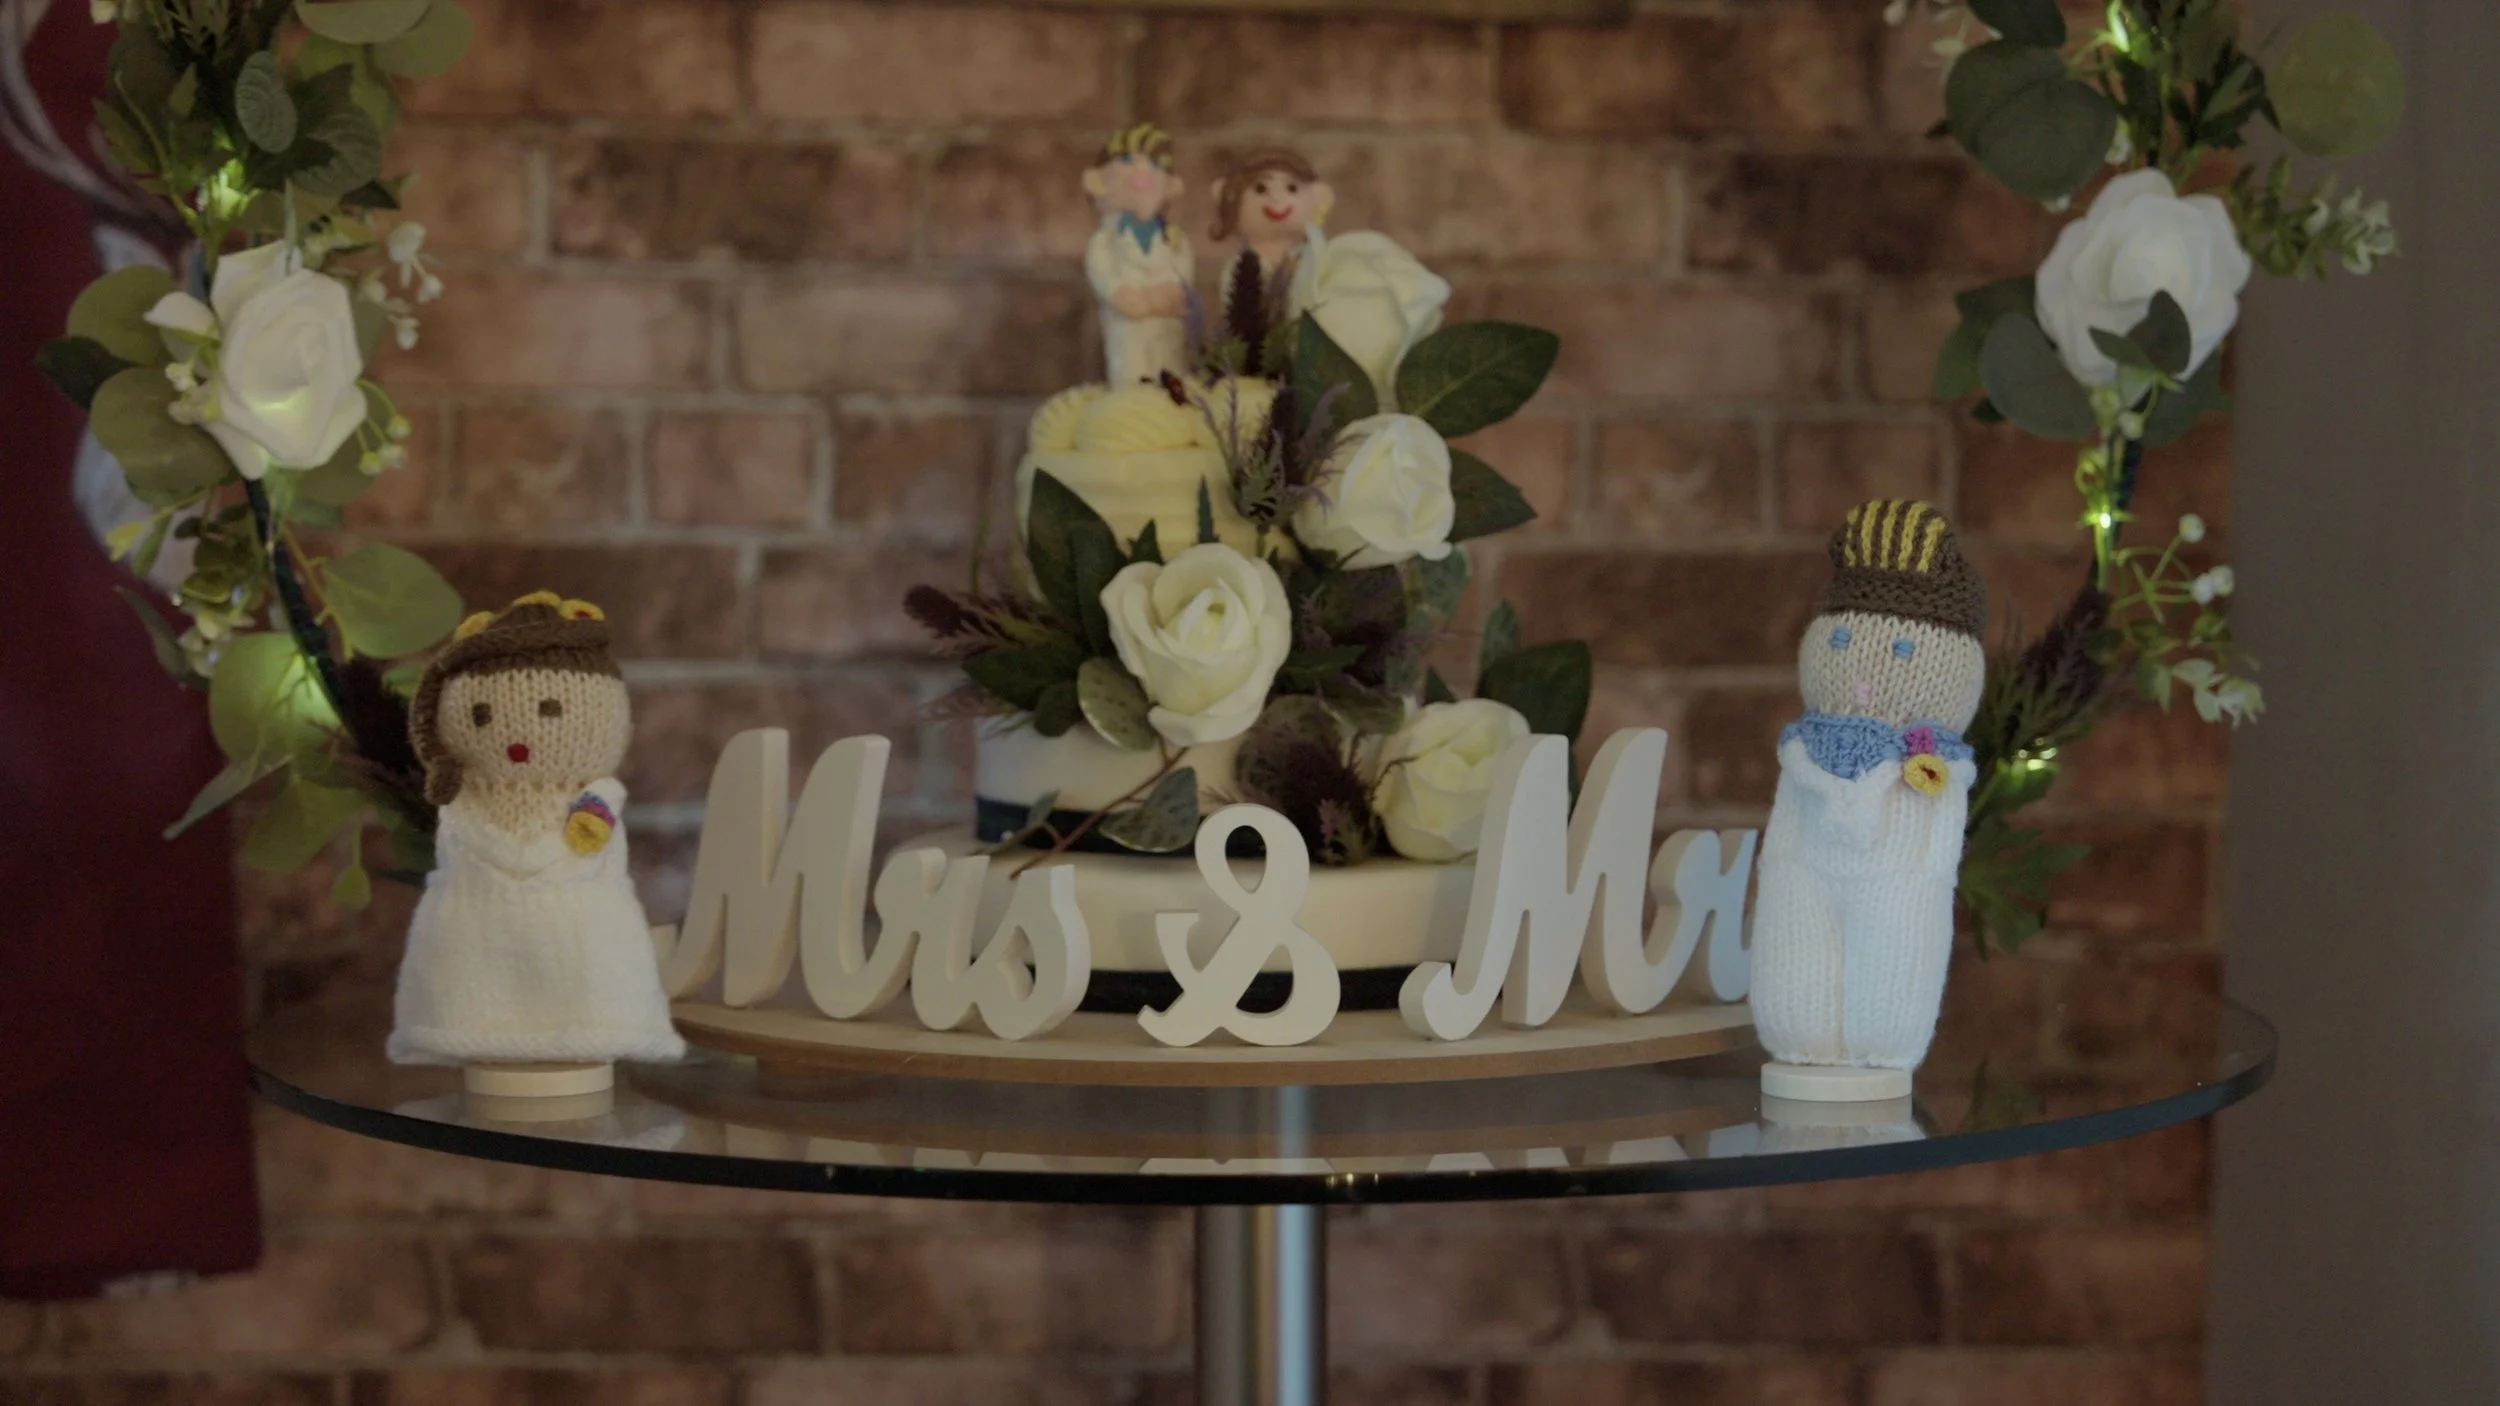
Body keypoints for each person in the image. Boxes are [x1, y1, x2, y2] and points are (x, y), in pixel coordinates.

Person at [1082, 123, 1192, 386]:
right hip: (1127, 331)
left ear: (1171, 184)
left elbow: (1181, 284)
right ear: (1098, 181)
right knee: (1131, 376)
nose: (1141, 171)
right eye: (1128, 161)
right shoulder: (1104, 242)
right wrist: (1121, 294)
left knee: (1172, 375)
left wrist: (1165, 296)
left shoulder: (1176, 240)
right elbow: (1107, 279)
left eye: (1153, 164)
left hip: (1168, 329)